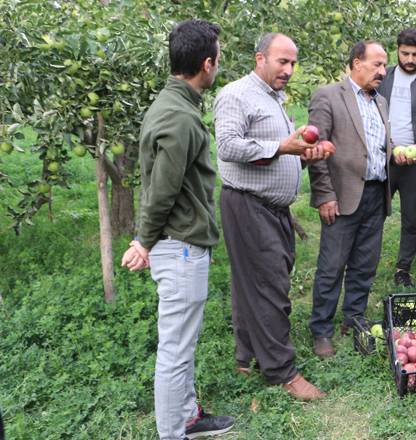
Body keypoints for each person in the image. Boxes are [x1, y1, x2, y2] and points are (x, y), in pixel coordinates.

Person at [120, 19, 234, 440]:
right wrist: (142, 239)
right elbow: (163, 192)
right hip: (181, 247)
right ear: (207, 64)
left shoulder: (174, 105)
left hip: (179, 243)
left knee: (181, 345)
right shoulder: (179, 118)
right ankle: (173, 433)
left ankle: (188, 415)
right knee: (175, 352)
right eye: (218, 58)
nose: (218, 64)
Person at [214, 32, 328, 401]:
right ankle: (283, 372)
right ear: (260, 58)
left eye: (293, 63)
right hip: (248, 204)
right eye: (282, 61)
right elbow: (228, 146)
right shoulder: (236, 94)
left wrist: (302, 153)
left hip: (271, 207)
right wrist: (283, 147)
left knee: (250, 282)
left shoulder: (273, 98)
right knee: (271, 286)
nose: (289, 70)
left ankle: (246, 357)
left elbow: (273, 151)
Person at [307, 41, 392, 359]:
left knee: (364, 264)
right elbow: (316, 150)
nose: (383, 71)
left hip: (375, 192)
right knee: (332, 266)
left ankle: (353, 318)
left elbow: (377, 144)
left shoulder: (380, 102)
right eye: (377, 64)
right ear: (357, 63)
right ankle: (321, 330)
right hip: (342, 195)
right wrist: (325, 194)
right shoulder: (329, 96)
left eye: (384, 66)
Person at [377, 28, 416, 288]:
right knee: (374, 214)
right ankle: (364, 262)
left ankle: (403, 268)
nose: (411, 59)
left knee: (412, 219)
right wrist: (390, 148)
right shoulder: (383, 78)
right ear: (397, 50)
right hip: (384, 159)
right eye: (405, 53)